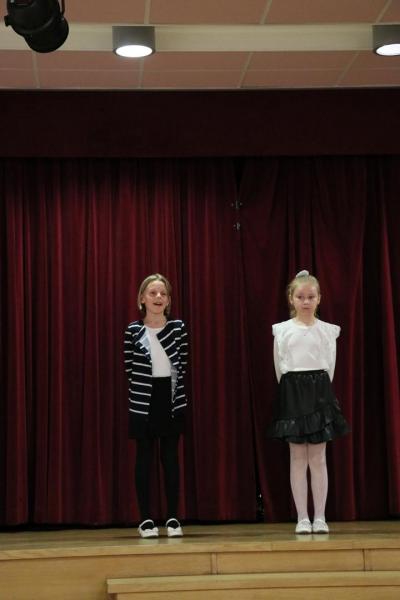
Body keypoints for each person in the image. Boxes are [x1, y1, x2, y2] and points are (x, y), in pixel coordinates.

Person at [268, 270, 350, 534]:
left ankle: (320, 517)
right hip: (292, 392)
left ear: (319, 299)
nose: (305, 301)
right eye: (300, 297)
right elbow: (279, 368)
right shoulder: (282, 330)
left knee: (318, 457)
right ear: (291, 299)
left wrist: (318, 391)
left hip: (319, 393)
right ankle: (302, 517)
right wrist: (293, 390)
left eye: (311, 297)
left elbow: (330, 367)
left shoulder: (327, 331)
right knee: (297, 456)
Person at [124, 274, 189, 538]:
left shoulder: (178, 328)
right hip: (143, 400)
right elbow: (129, 368)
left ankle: (173, 518)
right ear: (142, 298)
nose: (158, 297)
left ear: (169, 300)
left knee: (170, 458)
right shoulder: (133, 330)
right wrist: (143, 390)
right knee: (144, 458)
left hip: (170, 399)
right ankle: (145, 520)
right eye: (152, 293)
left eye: (163, 294)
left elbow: (182, 363)